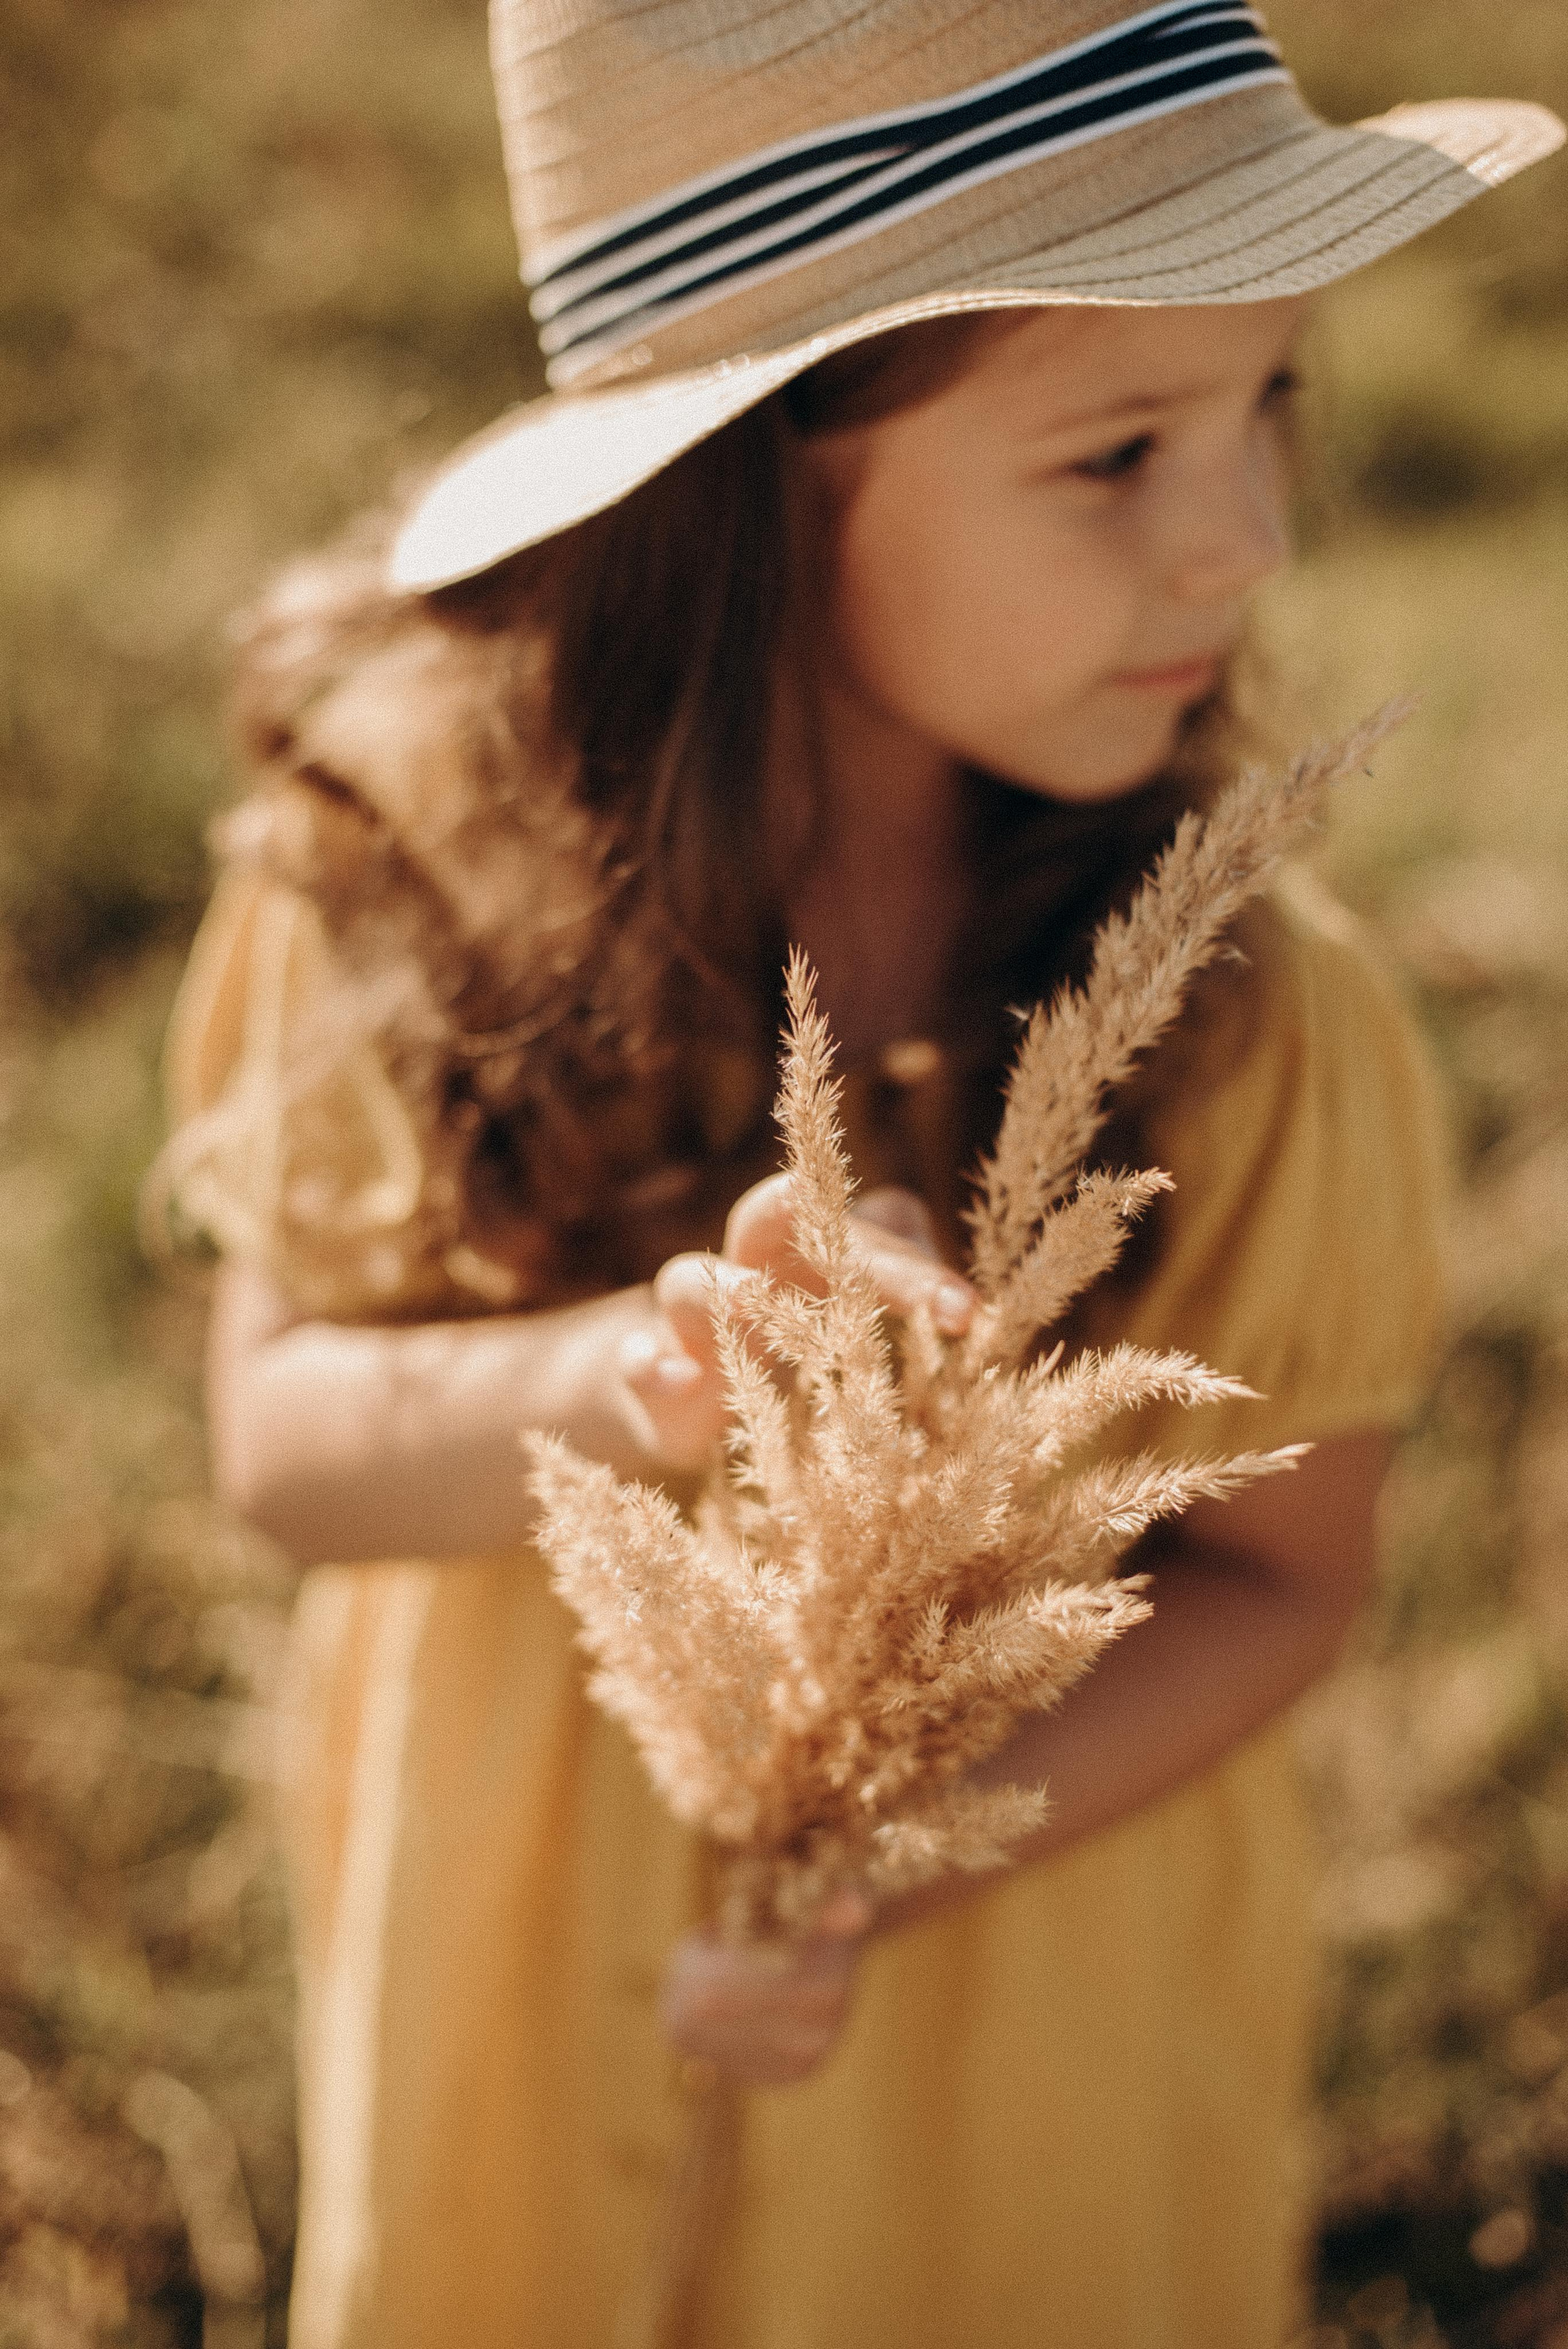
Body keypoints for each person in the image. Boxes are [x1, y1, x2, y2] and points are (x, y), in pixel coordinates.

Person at [159, 4, 1562, 2343]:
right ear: (739, 492)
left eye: (1271, 402)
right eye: (1115, 451)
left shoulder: (1247, 1018)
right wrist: (647, 1371)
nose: (1248, 536)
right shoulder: (398, 897)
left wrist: (886, 1855)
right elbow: (276, 1452)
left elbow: (1284, 1578)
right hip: (521, 2012)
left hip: (1024, 2045)